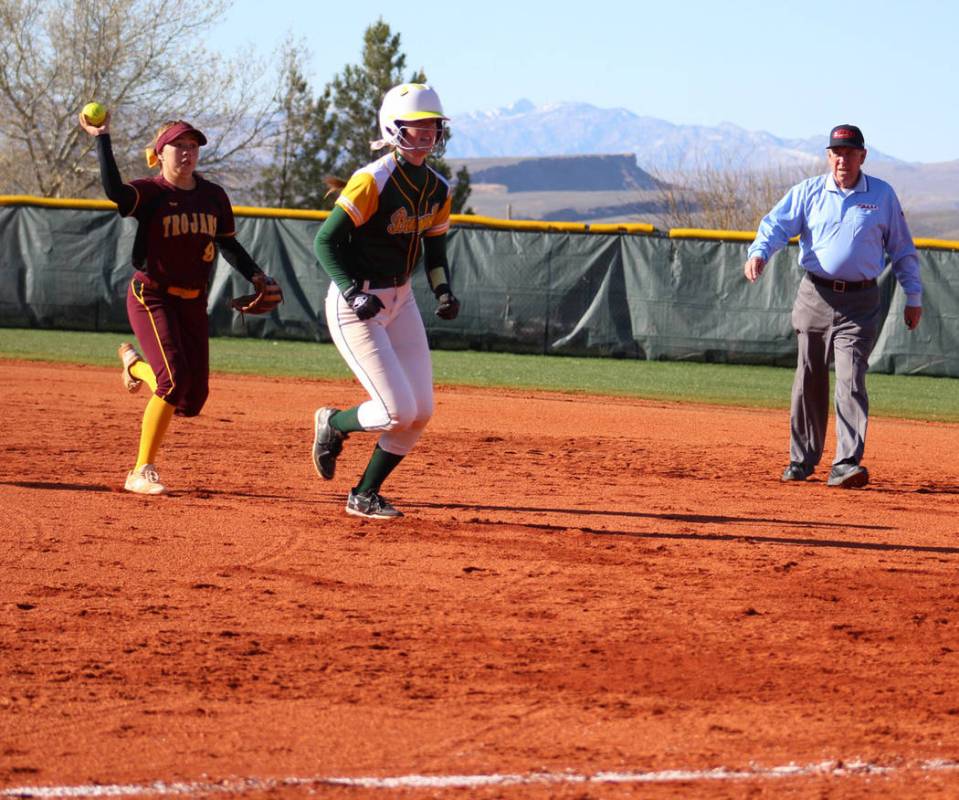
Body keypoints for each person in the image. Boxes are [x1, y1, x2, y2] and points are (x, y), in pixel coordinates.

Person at [78, 111, 280, 495]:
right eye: (179, 146)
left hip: (192, 302)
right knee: (172, 383)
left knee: (190, 401)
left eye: (193, 146)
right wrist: (102, 138)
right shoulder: (152, 192)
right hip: (151, 294)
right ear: (160, 153)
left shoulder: (213, 196)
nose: (188, 153)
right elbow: (115, 192)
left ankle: (135, 365)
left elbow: (227, 242)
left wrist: (255, 274)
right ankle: (140, 470)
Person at [312, 83, 461, 519]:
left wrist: (443, 291)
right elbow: (325, 242)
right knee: (396, 410)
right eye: (416, 127)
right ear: (393, 129)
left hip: (401, 300)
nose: (427, 134)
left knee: (421, 411)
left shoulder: (437, 187)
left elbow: (435, 255)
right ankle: (333, 423)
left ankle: (364, 494)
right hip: (355, 302)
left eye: (432, 126)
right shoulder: (373, 179)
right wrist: (353, 292)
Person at [744, 124, 922, 488]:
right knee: (808, 376)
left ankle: (845, 462)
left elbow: (902, 249)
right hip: (815, 295)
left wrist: (913, 295)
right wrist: (760, 252)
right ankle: (802, 460)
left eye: (849, 152)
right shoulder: (809, 191)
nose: (842, 159)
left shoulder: (882, 196)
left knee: (851, 377)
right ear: (829, 156)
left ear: (862, 156)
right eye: (836, 152)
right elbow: (776, 225)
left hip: (860, 301)